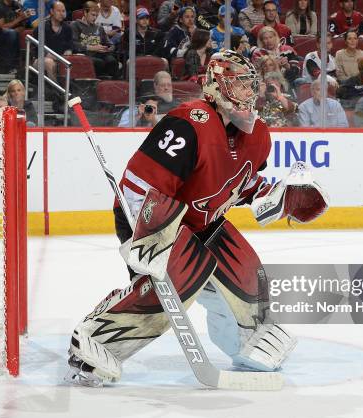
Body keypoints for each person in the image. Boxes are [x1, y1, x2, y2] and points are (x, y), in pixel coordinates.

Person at [66, 49, 327, 387]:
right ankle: (97, 338)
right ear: (217, 88)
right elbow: (139, 187)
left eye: (252, 85)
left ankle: (245, 340)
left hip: (203, 223)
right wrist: (151, 238)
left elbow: (238, 182)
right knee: (180, 278)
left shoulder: (258, 136)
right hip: (152, 219)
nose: (251, 93)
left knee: (247, 271)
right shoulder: (188, 123)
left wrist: (276, 196)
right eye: (241, 85)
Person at [71, 1, 119, 79]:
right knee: (98, 62)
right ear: (85, 13)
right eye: (93, 15)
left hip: (100, 54)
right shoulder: (75, 25)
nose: (95, 18)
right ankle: (98, 83)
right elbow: (74, 44)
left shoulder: (99, 28)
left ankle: (112, 84)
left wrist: (108, 48)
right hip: (84, 55)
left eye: (97, 15)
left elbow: (110, 44)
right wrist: (92, 47)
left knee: (112, 61)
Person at [32, 1, 73, 81]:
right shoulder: (41, 28)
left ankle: (69, 89)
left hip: (61, 59)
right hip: (40, 60)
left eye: (63, 11)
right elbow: (42, 52)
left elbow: (70, 46)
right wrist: (61, 58)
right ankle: (56, 91)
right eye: (58, 11)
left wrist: (68, 51)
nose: (61, 13)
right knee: (49, 62)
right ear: (51, 11)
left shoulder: (67, 28)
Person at [0, 0, 32, 74]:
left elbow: (23, 25)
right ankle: (9, 66)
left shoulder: (17, 5)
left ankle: (21, 67)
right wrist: (20, 18)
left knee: (26, 33)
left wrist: (25, 19)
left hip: (14, 35)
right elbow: (2, 27)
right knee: (11, 33)